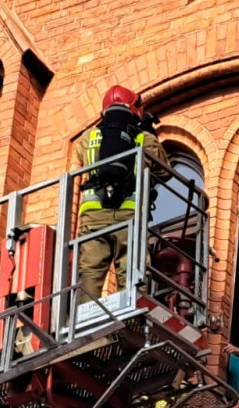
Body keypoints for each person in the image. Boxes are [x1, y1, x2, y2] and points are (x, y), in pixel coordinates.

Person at [74, 86, 171, 303]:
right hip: (129, 213)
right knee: (131, 270)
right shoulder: (143, 138)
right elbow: (164, 171)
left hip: (93, 215)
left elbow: (83, 157)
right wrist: (150, 134)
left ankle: (84, 317)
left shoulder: (87, 137)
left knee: (90, 271)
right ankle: (132, 318)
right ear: (136, 109)